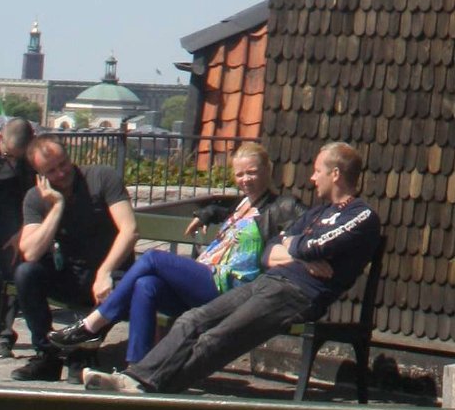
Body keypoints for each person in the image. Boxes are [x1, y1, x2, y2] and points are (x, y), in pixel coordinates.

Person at [87, 141, 381, 397]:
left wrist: (294, 247)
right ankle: (136, 378)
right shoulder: (318, 212)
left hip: (298, 295)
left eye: (318, 170)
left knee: (218, 338)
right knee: (193, 320)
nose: (313, 177)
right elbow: (269, 252)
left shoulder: (361, 215)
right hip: (269, 282)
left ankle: (149, 386)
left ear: (336, 174)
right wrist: (297, 249)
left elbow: (312, 248)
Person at [49, 141, 298, 366]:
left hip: (231, 287)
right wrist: (207, 213)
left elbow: (305, 228)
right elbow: (223, 212)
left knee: (153, 259)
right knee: (146, 285)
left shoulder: (283, 206)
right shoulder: (243, 203)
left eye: (252, 172)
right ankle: (137, 367)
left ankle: (91, 325)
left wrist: (301, 249)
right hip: (207, 282)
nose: (245, 179)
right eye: (240, 173)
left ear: (268, 169)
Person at [13, 135, 138, 381]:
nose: (61, 173)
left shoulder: (102, 177)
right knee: (26, 273)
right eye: (51, 170)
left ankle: (83, 350)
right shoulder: (36, 198)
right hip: (70, 274)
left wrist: (105, 272)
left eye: (63, 164)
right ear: (40, 174)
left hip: (110, 275)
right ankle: (47, 354)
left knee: (124, 285)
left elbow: (130, 229)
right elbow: (31, 252)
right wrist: (57, 207)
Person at [0, 118, 36, 357]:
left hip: (13, 230)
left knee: (9, 283)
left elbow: (36, 198)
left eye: (15, 156)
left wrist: (23, 230)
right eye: (7, 154)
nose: (11, 159)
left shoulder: (30, 162)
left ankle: (3, 335)